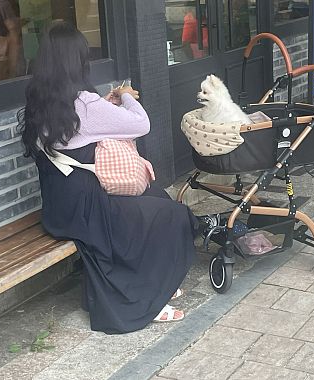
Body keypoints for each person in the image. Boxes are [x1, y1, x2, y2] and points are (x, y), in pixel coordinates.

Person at [17, 21, 197, 333]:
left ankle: (155, 282)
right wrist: (127, 95)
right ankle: (145, 297)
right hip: (88, 208)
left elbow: (84, 130)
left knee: (155, 197)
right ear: (77, 61)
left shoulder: (39, 99)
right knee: (171, 214)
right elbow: (141, 125)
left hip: (59, 207)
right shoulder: (82, 103)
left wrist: (105, 105)